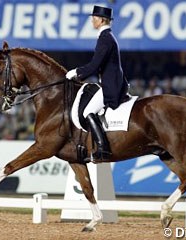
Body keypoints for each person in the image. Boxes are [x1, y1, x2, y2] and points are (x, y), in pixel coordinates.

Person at [66, 5, 129, 160]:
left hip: (112, 86)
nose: (92, 21)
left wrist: (76, 72)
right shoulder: (106, 37)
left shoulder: (105, 38)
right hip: (112, 82)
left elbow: (94, 65)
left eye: (94, 18)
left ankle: (103, 149)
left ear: (101, 20)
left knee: (88, 112)